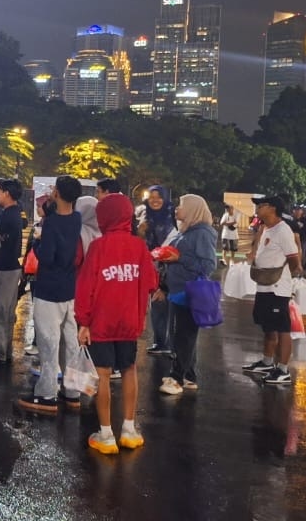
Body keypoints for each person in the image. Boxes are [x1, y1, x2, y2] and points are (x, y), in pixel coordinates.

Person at [75, 192, 156, 454]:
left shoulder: (99, 247)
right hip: (130, 321)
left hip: (102, 321)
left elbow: (85, 287)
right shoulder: (139, 246)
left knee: (103, 375)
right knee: (130, 369)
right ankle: (130, 430)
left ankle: (106, 434)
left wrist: (83, 322)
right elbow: (151, 283)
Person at [17, 176, 84, 413]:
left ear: (57, 194)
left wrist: (37, 243)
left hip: (49, 289)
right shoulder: (77, 219)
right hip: (70, 287)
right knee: (70, 342)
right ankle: (72, 391)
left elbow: (47, 256)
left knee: (49, 343)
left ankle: (46, 395)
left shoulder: (52, 223)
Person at [158, 194, 217, 395]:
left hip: (190, 291)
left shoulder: (203, 233)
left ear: (193, 209)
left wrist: (179, 257)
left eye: (181, 205)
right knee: (183, 335)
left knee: (184, 336)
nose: (176, 208)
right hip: (178, 290)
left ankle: (177, 378)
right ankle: (189, 376)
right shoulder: (187, 230)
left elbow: (208, 265)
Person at [241, 195, 302, 386]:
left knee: (282, 329)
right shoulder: (266, 228)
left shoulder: (283, 230)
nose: (257, 208)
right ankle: (267, 362)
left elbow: (294, 259)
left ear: (273, 208)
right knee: (267, 325)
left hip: (277, 288)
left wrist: (287, 280)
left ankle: (283, 370)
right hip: (264, 285)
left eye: (261, 205)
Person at [0, 179, 25, 366]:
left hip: (4, 268)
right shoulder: (15, 213)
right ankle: (5, 351)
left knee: (1, 311)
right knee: (7, 312)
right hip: (11, 267)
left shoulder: (7, 217)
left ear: (7, 194)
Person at [140, 185, 176, 356]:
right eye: (151, 196)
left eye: (159, 196)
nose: (155, 200)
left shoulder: (171, 218)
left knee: (165, 304)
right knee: (156, 305)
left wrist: (163, 282)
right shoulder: (146, 218)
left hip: (166, 266)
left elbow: (171, 245)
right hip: (152, 265)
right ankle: (160, 342)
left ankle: (168, 344)